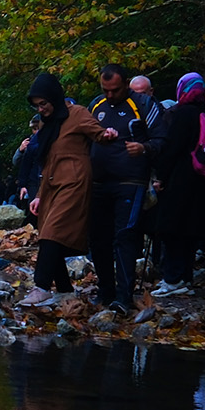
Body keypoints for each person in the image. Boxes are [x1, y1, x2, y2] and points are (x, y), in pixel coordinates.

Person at [21, 73, 113, 305]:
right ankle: (63, 289)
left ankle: (41, 286)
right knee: (47, 235)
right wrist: (39, 195)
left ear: (54, 97)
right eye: (36, 105)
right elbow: (47, 160)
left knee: (53, 232)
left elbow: (97, 132)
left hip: (74, 181)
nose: (40, 109)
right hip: (51, 184)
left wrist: (107, 135)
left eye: (43, 103)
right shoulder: (48, 123)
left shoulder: (77, 113)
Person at [144, 70, 205, 297]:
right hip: (203, 181)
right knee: (190, 231)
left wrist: (161, 177)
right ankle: (186, 277)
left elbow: (172, 149)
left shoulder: (183, 114)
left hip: (181, 180)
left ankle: (172, 279)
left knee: (172, 229)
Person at [88, 63, 151, 310]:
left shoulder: (143, 105)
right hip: (98, 182)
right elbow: (83, 135)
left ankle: (124, 297)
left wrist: (144, 148)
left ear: (125, 84)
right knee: (98, 238)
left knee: (124, 236)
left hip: (130, 181)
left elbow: (163, 140)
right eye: (105, 89)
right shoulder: (96, 105)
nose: (110, 94)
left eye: (114, 90)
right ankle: (105, 291)